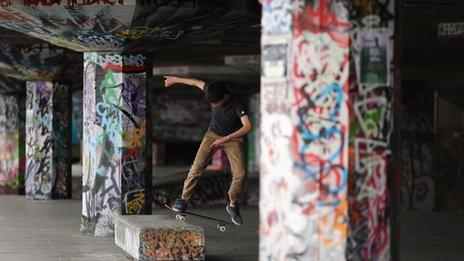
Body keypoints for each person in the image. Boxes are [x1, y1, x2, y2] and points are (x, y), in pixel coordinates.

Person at [164, 76, 252, 226]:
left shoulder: (237, 103)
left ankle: (233, 204)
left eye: (218, 102)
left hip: (233, 139)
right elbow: (196, 82)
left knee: (240, 173)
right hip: (212, 134)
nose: (216, 105)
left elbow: (247, 127)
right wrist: (175, 79)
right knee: (197, 167)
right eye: (213, 103)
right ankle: (183, 199)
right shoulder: (212, 89)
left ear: (225, 96)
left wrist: (226, 139)